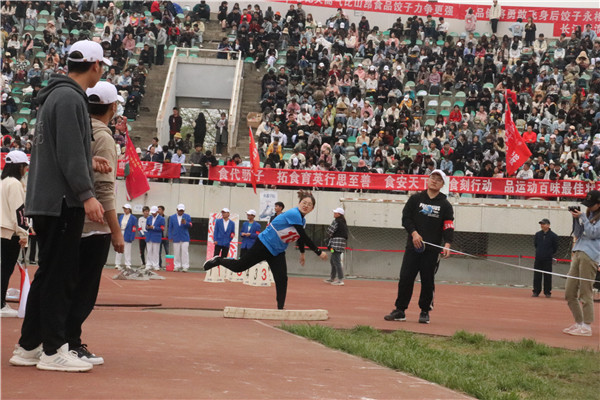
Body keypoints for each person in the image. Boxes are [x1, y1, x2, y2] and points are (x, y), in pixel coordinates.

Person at [10, 40, 110, 373]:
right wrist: (87, 194)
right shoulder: (70, 98)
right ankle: (53, 349)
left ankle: (29, 346)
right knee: (60, 277)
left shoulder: (55, 95)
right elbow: (67, 152)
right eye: (102, 66)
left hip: (48, 199)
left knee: (48, 273)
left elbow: (61, 149)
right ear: (95, 65)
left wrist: (86, 161)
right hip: (63, 201)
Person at [65, 81, 125, 366]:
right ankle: (71, 342)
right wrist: (116, 231)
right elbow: (104, 190)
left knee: (64, 284)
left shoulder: (75, 130)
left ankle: (52, 339)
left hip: (68, 220)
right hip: (94, 226)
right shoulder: (103, 138)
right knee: (85, 290)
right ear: (112, 107)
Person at [204, 191, 328, 309]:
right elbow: (304, 235)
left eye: (309, 205)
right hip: (263, 244)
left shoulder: (302, 221)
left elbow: (299, 237)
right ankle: (218, 260)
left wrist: (302, 253)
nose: (306, 206)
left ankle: (280, 308)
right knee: (239, 267)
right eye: (304, 203)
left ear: (312, 209)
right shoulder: (294, 213)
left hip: (277, 251)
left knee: (282, 278)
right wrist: (318, 251)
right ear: (299, 203)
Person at [385, 170, 454, 324]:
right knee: (405, 278)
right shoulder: (415, 199)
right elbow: (406, 218)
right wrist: (414, 233)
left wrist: (447, 244)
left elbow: (448, 225)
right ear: (428, 180)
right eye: (432, 177)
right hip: (413, 248)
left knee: (427, 280)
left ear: (442, 184)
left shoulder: (445, 205)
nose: (434, 181)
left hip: (432, 251)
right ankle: (400, 310)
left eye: (438, 179)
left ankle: (424, 311)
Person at [563, 190, 600, 337]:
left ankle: (587, 325)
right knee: (569, 292)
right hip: (578, 252)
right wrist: (575, 219)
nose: (588, 207)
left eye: (591, 204)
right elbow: (578, 234)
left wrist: (583, 217)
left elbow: (592, 233)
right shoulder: (589, 215)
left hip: (590, 255)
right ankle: (579, 323)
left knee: (585, 292)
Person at [1, 151, 29, 318]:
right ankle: (0, 304)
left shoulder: (3, 182)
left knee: (3, 268)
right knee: (6, 268)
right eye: (25, 167)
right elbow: (19, 211)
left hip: (2, 229)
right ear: (19, 167)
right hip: (10, 233)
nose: (26, 170)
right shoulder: (15, 184)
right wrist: (23, 233)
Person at [532, 218, 558, 298]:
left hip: (547, 259)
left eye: (543, 224)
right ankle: (536, 291)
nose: (542, 225)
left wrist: (549, 253)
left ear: (548, 225)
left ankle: (547, 292)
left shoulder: (553, 236)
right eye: (541, 224)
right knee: (537, 275)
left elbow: (555, 247)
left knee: (547, 276)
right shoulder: (538, 234)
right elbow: (536, 245)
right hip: (538, 258)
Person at [325, 207, 348, 286]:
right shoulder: (343, 222)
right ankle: (332, 277)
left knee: (336, 261)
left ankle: (340, 279)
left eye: (336, 213)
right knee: (333, 259)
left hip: (335, 244)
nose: (334, 214)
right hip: (340, 245)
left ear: (339, 214)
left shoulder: (336, 221)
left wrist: (328, 237)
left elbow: (330, 231)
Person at [168, 204, 192, 272]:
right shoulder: (172, 217)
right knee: (176, 252)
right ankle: (177, 266)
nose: (181, 212)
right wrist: (170, 236)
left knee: (185, 252)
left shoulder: (187, 216)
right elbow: (170, 227)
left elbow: (190, 225)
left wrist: (185, 223)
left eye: (182, 210)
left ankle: (185, 266)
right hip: (176, 237)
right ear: (177, 210)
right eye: (179, 210)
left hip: (185, 237)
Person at [115, 204, 138, 271]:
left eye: (126, 209)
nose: (125, 210)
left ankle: (128, 264)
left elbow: (134, 228)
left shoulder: (133, 218)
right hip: (120, 232)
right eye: (124, 209)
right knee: (119, 248)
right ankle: (117, 264)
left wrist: (132, 236)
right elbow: (118, 225)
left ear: (129, 210)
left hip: (128, 233)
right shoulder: (121, 216)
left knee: (127, 250)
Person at [145, 206, 164, 271]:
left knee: (156, 252)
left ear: (157, 212)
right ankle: (148, 264)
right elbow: (146, 227)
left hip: (156, 237)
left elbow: (162, 228)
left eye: (154, 212)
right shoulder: (149, 218)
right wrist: (148, 227)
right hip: (149, 236)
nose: (153, 214)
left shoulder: (161, 219)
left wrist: (153, 227)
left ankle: (155, 265)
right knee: (149, 251)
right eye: (152, 212)